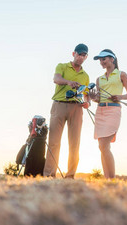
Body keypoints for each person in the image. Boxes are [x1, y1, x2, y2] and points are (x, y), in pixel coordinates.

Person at [43, 43, 90, 179]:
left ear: (86, 57)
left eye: (84, 55)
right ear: (73, 54)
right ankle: (49, 174)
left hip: (77, 108)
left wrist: (88, 102)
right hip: (59, 105)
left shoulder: (85, 75)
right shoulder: (62, 66)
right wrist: (69, 82)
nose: (81, 57)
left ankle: (70, 175)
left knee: (75, 142)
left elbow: (86, 93)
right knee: (54, 141)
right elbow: (56, 79)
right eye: (79, 54)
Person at [89, 49, 127, 179]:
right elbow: (98, 98)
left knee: (104, 145)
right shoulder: (99, 79)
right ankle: (107, 178)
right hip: (100, 111)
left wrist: (120, 97)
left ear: (112, 59)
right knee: (102, 147)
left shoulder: (121, 75)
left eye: (103, 59)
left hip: (113, 111)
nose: (101, 62)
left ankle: (111, 179)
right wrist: (93, 97)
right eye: (100, 60)